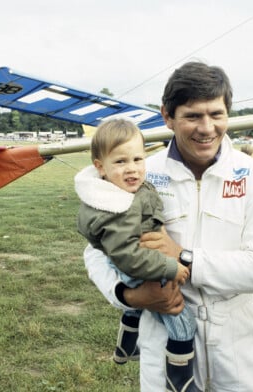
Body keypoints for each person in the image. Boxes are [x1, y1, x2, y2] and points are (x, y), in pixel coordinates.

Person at [84, 61, 253, 391]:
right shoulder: (140, 173)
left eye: (216, 114)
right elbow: (96, 253)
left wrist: (184, 257)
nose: (207, 128)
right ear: (167, 116)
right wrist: (130, 296)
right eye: (192, 116)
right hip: (164, 333)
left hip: (237, 342)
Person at [74, 118, 199, 391]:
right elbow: (129, 257)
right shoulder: (115, 205)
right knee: (182, 322)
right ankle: (180, 380)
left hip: (140, 261)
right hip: (139, 266)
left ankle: (126, 345)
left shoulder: (123, 189)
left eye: (137, 159)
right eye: (120, 162)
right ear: (100, 167)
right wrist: (169, 267)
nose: (131, 169)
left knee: (136, 309)